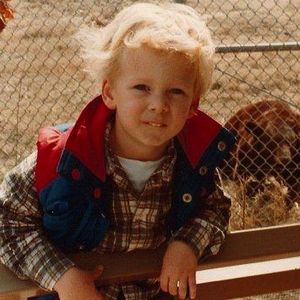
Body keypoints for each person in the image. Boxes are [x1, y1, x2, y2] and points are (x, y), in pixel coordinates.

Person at [0, 3, 235, 300]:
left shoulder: (193, 164)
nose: (159, 105)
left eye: (176, 91)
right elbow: (7, 222)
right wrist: (62, 276)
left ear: (193, 105)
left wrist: (187, 244)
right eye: (141, 88)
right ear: (110, 92)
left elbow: (216, 209)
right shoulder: (65, 160)